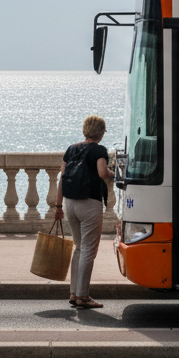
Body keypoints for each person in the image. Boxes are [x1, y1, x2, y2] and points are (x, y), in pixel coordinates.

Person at [53, 115, 112, 309]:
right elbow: (103, 173)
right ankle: (83, 296)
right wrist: (115, 175)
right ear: (100, 132)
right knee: (88, 249)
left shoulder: (72, 149)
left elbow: (62, 178)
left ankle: (73, 293)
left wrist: (58, 206)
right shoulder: (99, 150)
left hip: (70, 203)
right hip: (89, 203)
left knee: (78, 247)